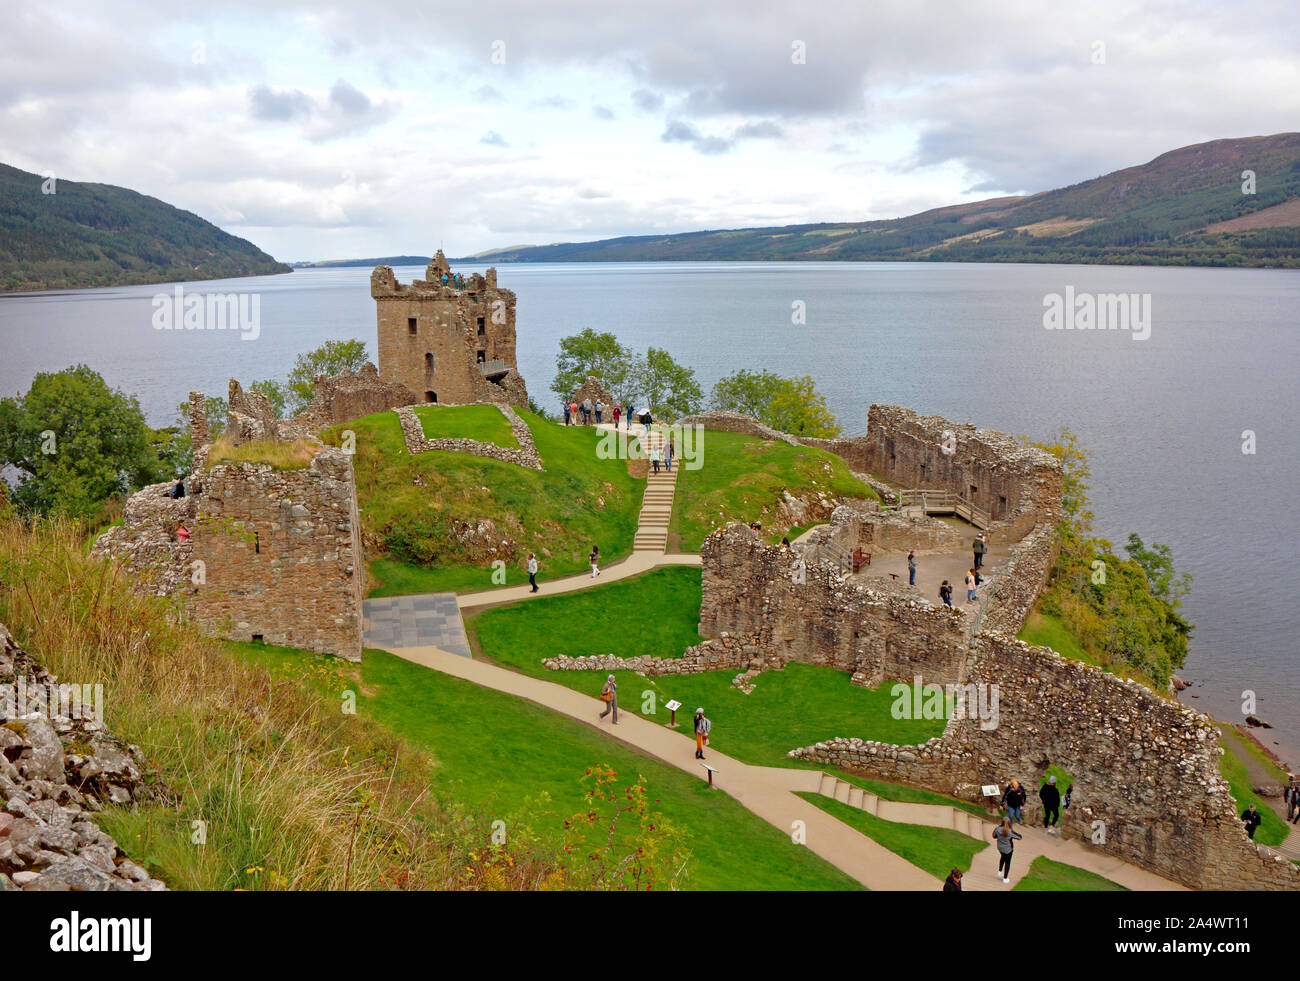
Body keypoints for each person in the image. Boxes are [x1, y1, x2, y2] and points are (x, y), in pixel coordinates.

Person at [992, 819, 1022, 883]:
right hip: (1008, 850)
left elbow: (994, 836)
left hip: (1000, 848)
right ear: (1009, 823)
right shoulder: (1010, 832)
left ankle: (1000, 871)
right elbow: (1020, 837)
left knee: (1003, 857)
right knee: (1007, 863)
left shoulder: (997, 829)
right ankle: (1005, 879)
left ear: (1002, 822)